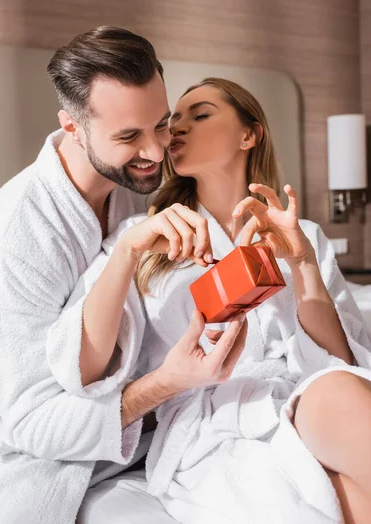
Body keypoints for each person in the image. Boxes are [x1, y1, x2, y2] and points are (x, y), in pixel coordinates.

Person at [0, 29, 242, 524]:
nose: (157, 154)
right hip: (34, 429)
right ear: (72, 127)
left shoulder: (137, 185)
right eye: (128, 137)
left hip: (155, 418)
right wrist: (162, 385)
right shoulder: (14, 236)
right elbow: (32, 425)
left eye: (160, 126)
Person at [74, 78, 371, 523]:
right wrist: (127, 253)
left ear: (249, 135)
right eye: (173, 121)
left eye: (201, 115)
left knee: (339, 386)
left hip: (304, 396)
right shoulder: (146, 240)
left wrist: (302, 260)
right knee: (350, 500)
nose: (177, 129)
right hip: (213, 419)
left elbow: (339, 357)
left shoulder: (302, 233)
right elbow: (88, 366)